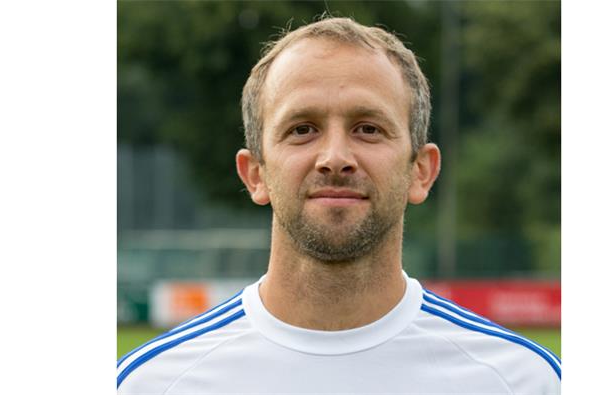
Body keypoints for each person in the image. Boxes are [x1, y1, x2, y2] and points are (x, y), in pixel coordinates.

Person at [117, 16, 561, 394]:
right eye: (302, 129)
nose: (335, 158)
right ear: (255, 174)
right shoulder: (151, 383)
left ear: (421, 171)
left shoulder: (524, 381)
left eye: (368, 129)